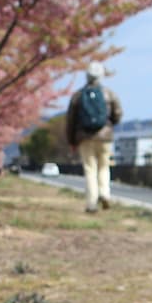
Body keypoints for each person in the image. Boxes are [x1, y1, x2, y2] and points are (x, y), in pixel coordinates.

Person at [65, 61, 123, 212]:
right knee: (104, 167)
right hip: (104, 137)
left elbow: (71, 121)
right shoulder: (109, 94)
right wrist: (110, 124)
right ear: (101, 76)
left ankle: (91, 203)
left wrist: (71, 140)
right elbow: (117, 114)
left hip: (85, 138)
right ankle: (105, 194)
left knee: (90, 169)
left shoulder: (78, 96)